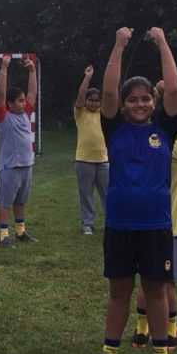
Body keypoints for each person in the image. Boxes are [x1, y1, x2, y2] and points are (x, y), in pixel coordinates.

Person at [91, 26, 177, 354]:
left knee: (156, 290)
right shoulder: (114, 128)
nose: (140, 104)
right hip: (120, 225)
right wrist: (118, 45)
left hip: (155, 225)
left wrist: (163, 42)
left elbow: (173, 89)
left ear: (153, 103)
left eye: (145, 99)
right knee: (119, 291)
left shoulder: (165, 128)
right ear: (124, 105)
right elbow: (109, 90)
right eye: (133, 100)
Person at [131, 74, 177, 351]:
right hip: (171, 227)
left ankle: (141, 332)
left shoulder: (141, 146)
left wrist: (157, 94)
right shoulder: (175, 150)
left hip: (144, 224)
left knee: (146, 280)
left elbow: (149, 116)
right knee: (167, 283)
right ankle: (171, 333)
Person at [0, 56, 37, 246]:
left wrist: (32, 71)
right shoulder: (3, 117)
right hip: (10, 166)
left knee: (20, 201)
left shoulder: (26, 113)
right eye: (20, 101)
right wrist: (4, 67)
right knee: (6, 202)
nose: (24, 103)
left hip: (27, 166)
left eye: (23, 100)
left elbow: (33, 92)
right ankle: (4, 235)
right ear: (9, 104)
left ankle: (21, 232)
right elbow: (0, 93)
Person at [73, 65, 109, 235]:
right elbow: (80, 97)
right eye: (91, 100)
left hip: (103, 160)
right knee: (86, 194)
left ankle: (111, 222)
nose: (93, 103)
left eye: (96, 100)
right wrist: (87, 77)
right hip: (84, 160)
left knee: (107, 194)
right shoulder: (80, 113)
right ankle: (87, 223)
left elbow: (111, 97)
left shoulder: (104, 113)